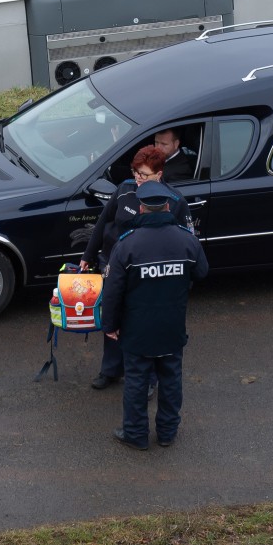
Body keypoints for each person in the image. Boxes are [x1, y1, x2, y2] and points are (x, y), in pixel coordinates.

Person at [101, 180, 208, 450]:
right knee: (171, 379)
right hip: (172, 326)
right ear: (168, 205)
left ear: (141, 207)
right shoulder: (186, 240)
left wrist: (110, 325)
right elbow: (202, 272)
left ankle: (135, 435)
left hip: (136, 329)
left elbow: (112, 291)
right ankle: (167, 433)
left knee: (136, 382)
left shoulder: (127, 245)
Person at [79, 146, 191, 391]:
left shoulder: (174, 201)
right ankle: (111, 370)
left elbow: (186, 240)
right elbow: (102, 222)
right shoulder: (124, 190)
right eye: (136, 173)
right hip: (114, 265)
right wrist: (88, 255)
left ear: (159, 174)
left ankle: (148, 380)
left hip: (147, 273)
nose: (138, 179)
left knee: (143, 325)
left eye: (144, 175)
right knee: (112, 317)